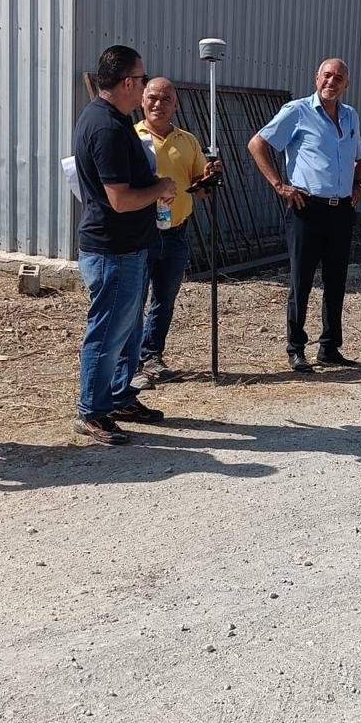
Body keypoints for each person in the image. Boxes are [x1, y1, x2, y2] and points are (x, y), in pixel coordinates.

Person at [72, 45, 176, 445]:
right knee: (107, 333)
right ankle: (92, 411)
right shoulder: (107, 128)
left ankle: (118, 397)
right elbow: (120, 199)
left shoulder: (112, 119)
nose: (146, 86)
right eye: (143, 78)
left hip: (127, 247)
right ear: (129, 82)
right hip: (113, 250)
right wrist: (160, 187)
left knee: (127, 333)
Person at [248, 58, 361, 374]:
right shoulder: (297, 111)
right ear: (317, 78)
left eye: (338, 78)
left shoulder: (350, 116)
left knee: (336, 281)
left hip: (341, 210)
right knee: (301, 281)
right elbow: (257, 144)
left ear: (346, 84)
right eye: (327, 75)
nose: (332, 82)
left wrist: (358, 184)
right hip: (307, 209)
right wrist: (279, 185)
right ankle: (296, 348)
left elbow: (359, 155)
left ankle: (330, 348)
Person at [134, 77, 220, 382]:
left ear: (176, 105)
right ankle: (129, 363)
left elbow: (200, 189)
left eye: (166, 99)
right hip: (141, 234)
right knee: (134, 301)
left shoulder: (188, 141)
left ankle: (151, 356)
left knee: (164, 300)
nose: (158, 104)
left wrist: (208, 178)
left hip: (176, 233)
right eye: (152, 98)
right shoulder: (132, 138)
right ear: (142, 100)